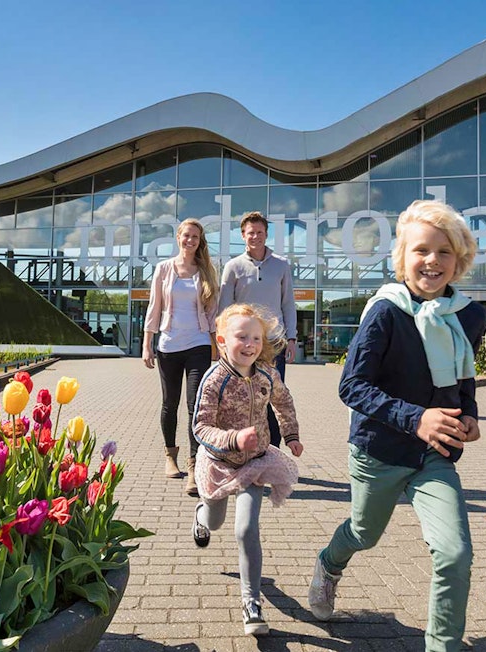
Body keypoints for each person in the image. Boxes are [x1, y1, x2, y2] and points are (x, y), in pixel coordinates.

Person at [308, 200, 486, 652]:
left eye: (444, 252)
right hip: (380, 450)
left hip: (434, 455)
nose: (432, 261)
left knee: (455, 553)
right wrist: (415, 417)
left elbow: (464, 374)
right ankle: (329, 564)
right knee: (364, 534)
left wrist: (469, 413)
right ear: (403, 257)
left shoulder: (467, 314)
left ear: (459, 259)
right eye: (421, 250)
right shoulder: (386, 312)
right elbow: (352, 386)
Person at [190, 303, 304, 636]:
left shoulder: (268, 373)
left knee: (245, 529)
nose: (250, 344)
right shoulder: (215, 379)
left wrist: (291, 434)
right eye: (242, 337)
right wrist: (233, 438)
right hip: (219, 464)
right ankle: (201, 516)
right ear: (222, 340)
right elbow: (200, 427)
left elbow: (283, 401)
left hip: (254, 464)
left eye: (256, 337)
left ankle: (251, 602)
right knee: (215, 521)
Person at [143, 219, 219, 496]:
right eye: (186, 236)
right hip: (168, 345)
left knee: (195, 405)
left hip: (197, 344)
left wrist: (215, 345)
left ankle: (195, 467)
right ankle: (169, 455)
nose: (190, 241)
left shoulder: (206, 271)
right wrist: (146, 344)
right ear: (178, 237)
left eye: (195, 237)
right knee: (169, 403)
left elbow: (212, 313)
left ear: (200, 241)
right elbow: (154, 306)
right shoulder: (164, 268)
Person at [219, 211, 297, 447]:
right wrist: (222, 344)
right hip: (242, 344)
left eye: (260, 232)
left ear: (266, 234)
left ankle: (272, 452)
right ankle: (243, 449)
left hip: (273, 343)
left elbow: (288, 303)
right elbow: (224, 309)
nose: (256, 236)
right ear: (243, 235)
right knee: (242, 397)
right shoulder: (233, 267)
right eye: (251, 232)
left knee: (272, 396)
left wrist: (292, 338)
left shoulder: (281, 265)